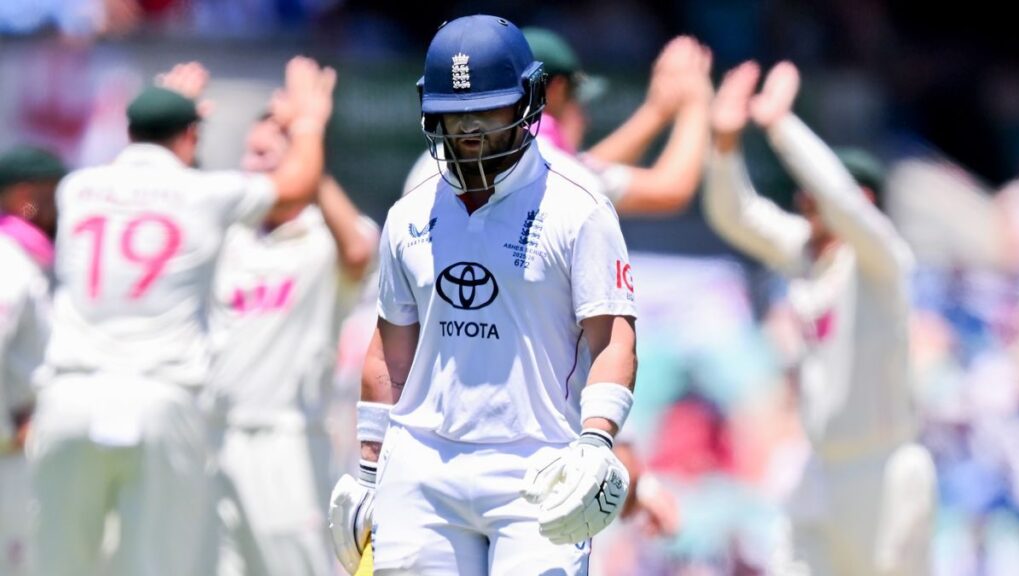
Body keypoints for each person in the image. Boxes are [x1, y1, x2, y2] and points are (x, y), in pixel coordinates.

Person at [329, 14, 638, 575]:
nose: (469, 130)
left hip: (538, 465)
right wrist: (371, 472)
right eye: (454, 114)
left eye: (488, 110)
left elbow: (614, 338)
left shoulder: (580, 209)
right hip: (421, 465)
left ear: (530, 101)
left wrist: (597, 441)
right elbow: (389, 353)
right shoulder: (408, 215)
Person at [27, 57, 336, 576]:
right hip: (161, 400)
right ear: (191, 136)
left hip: (68, 397)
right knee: (157, 566)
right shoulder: (205, 193)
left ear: (130, 132)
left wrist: (164, 105)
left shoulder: (75, 189)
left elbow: (138, 183)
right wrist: (309, 121)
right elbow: (298, 185)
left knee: (59, 567)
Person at [704, 60, 937, 576]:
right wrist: (724, 143)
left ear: (866, 199)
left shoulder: (882, 264)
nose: (803, 205)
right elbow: (736, 216)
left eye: (810, 197)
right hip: (820, 467)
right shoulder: (808, 256)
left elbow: (844, 204)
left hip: (883, 472)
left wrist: (781, 126)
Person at [209, 108, 378, 576]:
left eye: (268, 155)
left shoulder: (325, 238)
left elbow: (360, 251)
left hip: (287, 441)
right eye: (250, 152)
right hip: (213, 434)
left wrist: (308, 147)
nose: (254, 166)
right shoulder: (228, 236)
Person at [402, 27, 713, 216]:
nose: (585, 118)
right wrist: (696, 100)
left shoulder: (443, 154)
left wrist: (656, 112)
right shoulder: (542, 161)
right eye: (577, 100)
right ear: (555, 90)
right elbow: (671, 190)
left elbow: (583, 167)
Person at [0, 146, 65, 576]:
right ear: (27, 196)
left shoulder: (25, 260)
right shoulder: (8, 261)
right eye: (54, 194)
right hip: (9, 453)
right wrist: (6, 432)